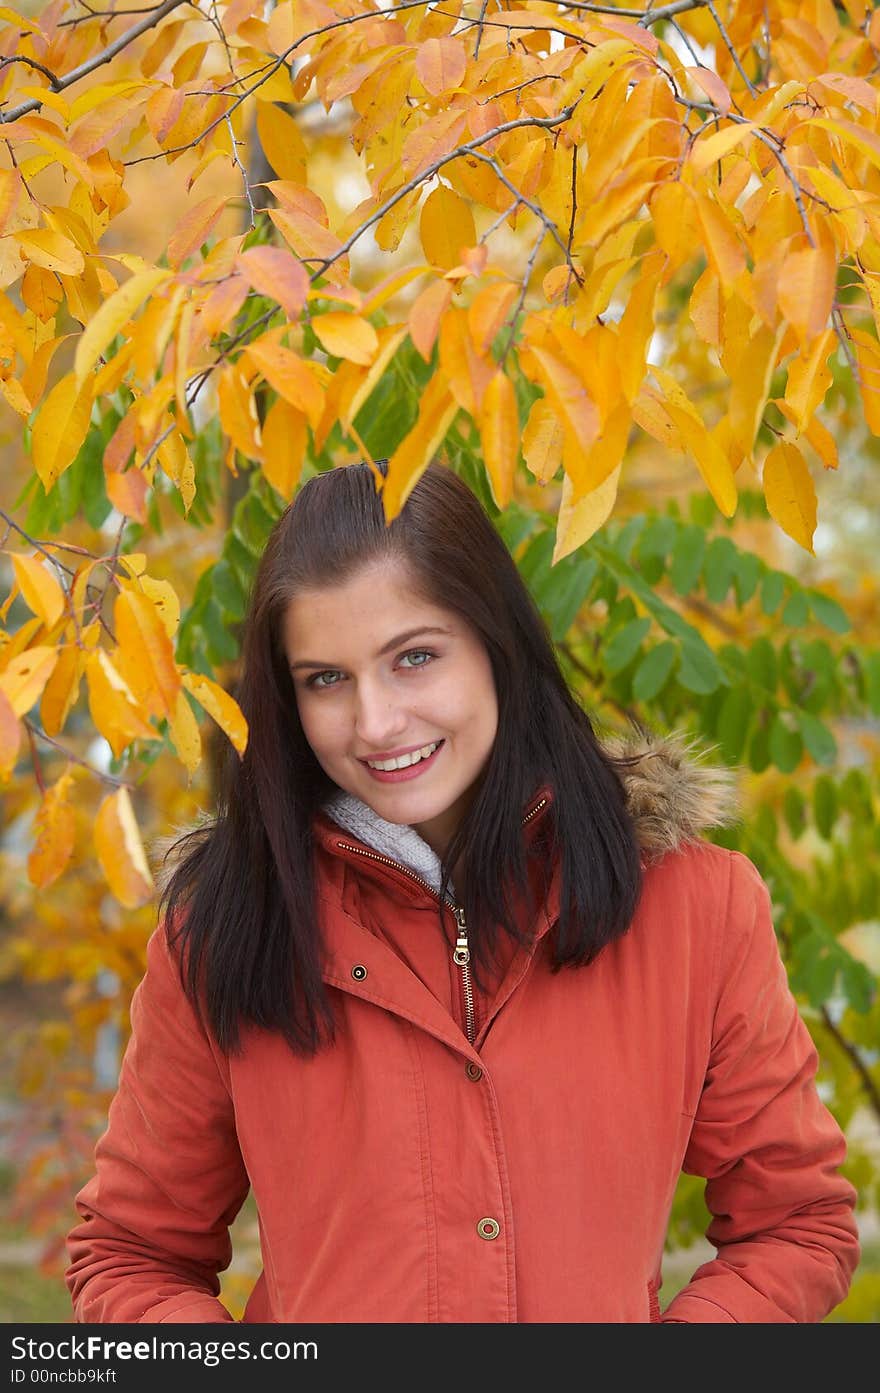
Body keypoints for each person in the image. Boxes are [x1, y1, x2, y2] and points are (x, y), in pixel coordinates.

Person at [65, 460, 859, 1324]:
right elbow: (129, 1256)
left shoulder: (694, 903)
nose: (375, 722)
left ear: (497, 645)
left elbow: (798, 1223)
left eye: (414, 657)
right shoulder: (223, 926)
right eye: (326, 678)